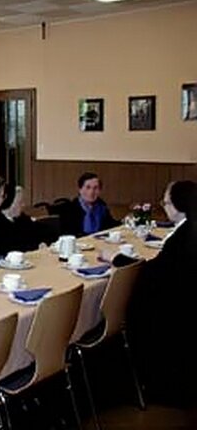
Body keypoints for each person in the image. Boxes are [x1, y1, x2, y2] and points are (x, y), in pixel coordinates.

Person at [117, 180, 197, 406]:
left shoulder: (182, 237)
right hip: (184, 303)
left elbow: (153, 272)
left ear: (179, 205)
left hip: (172, 307)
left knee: (129, 303)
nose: (165, 207)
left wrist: (118, 259)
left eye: (166, 203)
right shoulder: (188, 229)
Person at [0, 185, 54, 255]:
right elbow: (11, 248)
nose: (23, 205)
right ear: (10, 204)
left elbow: (45, 230)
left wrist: (43, 242)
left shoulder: (21, 218)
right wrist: (36, 245)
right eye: (20, 202)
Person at [58, 172, 119, 236]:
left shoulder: (102, 206)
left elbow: (111, 226)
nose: (91, 192)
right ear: (80, 189)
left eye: (95, 188)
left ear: (99, 191)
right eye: (88, 187)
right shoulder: (69, 209)